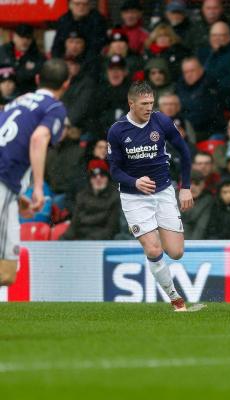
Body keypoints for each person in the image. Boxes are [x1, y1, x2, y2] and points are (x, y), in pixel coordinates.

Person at [107, 81, 193, 311]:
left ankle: (158, 247)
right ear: (131, 103)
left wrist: (186, 187)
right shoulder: (117, 131)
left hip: (163, 191)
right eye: (144, 104)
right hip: (133, 196)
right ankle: (176, 300)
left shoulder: (161, 121)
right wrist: (134, 181)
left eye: (151, 103)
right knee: (153, 249)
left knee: (175, 252)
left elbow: (184, 152)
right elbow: (114, 170)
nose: (148, 108)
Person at [0, 59, 69, 287]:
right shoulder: (54, 108)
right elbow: (39, 138)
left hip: (7, 185)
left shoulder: (17, 102)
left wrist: (17, 198)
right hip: (3, 179)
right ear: (66, 84)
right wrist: (38, 187)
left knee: (7, 273)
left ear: (38, 79)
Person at [60, 159, 120, 240]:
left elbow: (111, 229)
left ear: (108, 177)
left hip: (102, 241)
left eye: (102, 174)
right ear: (89, 178)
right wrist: (63, 240)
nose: (98, 178)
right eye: (93, 175)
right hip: (81, 239)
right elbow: (74, 225)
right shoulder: (82, 196)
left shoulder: (115, 197)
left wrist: (89, 240)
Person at [198, 21, 230, 111]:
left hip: (223, 98)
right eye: (214, 35)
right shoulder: (203, 53)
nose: (217, 38)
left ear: (229, 37)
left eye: (221, 35)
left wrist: (209, 89)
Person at [175, 56, 222, 140]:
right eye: (186, 72)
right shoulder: (180, 86)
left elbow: (206, 113)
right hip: (186, 129)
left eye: (192, 71)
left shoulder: (210, 85)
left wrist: (184, 124)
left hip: (207, 131)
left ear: (201, 70)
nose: (189, 75)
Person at [0, 24, 46, 95]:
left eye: (28, 38)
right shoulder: (3, 51)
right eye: (21, 37)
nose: (25, 41)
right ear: (14, 37)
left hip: (27, 95)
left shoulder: (38, 57)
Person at [96, 55, 130, 137]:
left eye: (119, 69)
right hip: (102, 137)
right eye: (112, 69)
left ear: (125, 72)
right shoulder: (99, 91)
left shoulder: (133, 91)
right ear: (107, 72)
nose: (115, 73)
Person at [181, 171, 214, 239]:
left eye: (196, 183)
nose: (192, 187)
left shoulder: (208, 200)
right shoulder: (174, 198)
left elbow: (201, 228)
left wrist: (190, 247)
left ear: (203, 185)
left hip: (195, 244)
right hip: (174, 244)